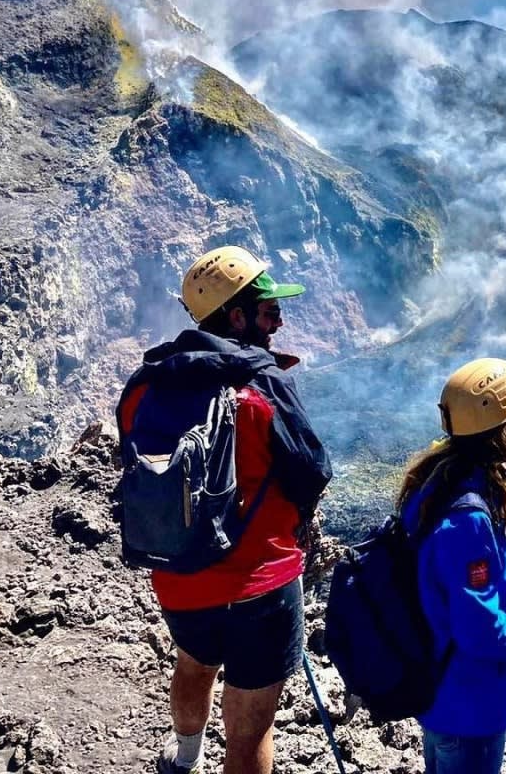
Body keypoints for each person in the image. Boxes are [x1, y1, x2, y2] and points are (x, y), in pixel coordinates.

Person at [117, 245, 333, 774]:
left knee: (193, 663)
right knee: (251, 727)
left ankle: (184, 756)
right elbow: (312, 470)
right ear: (236, 316)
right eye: (268, 309)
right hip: (263, 585)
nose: (278, 320)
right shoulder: (263, 386)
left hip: (178, 576)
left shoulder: (143, 388)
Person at [400, 357, 506, 774]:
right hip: (471, 707)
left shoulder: (438, 484)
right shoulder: (470, 520)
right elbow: (481, 632)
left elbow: (467, 589)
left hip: (443, 696)